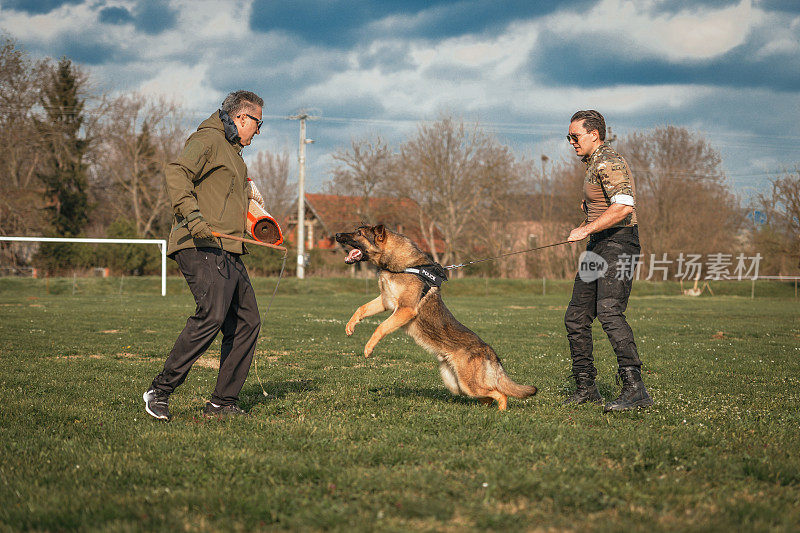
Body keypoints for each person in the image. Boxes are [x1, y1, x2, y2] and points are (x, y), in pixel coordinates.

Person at [143, 90, 266, 420]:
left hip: (228, 249)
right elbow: (176, 172)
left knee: (247, 322)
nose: (258, 130)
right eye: (257, 122)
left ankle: (222, 403)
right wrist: (194, 218)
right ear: (241, 118)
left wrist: (249, 194)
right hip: (199, 243)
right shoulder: (208, 139)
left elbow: (224, 195)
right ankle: (160, 390)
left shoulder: (233, 152)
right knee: (212, 313)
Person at [563, 110, 652, 412]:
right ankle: (586, 388)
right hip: (598, 247)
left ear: (594, 134)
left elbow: (624, 206)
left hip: (620, 245)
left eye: (575, 136)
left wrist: (586, 228)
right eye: (569, 137)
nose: (571, 142)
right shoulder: (593, 164)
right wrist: (589, 224)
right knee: (576, 316)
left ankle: (635, 389)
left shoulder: (609, 161)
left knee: (610, 312)